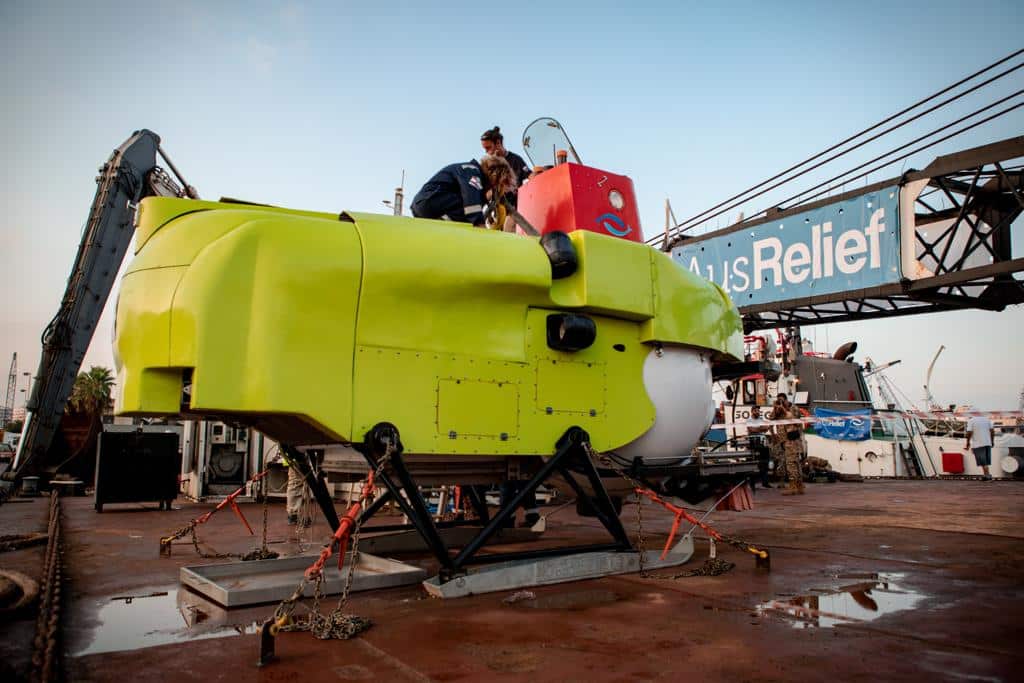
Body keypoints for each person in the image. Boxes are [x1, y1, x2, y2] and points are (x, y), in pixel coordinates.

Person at [410, 155, 517, 226]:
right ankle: (446, 225)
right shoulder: (472, 171)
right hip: (428, 202)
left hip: (426, 204)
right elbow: (471, 199)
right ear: (497, 176)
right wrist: (481, 227)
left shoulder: (471, 172)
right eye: (501, 185)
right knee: (471, 203)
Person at [747, 404, 773, 488]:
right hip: (753, 443)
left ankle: (765, 482)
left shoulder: (761, 419)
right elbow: (751, 430)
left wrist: (758, 429)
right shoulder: (749, 420)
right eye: (755, 410)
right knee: (753, 463)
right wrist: (760, 428)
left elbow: (766, 428)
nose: (757, 412)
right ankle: (752, 484)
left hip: (762, 442)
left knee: (765, 462)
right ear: (752, 411)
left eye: (758, 410)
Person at [965, 413, 996, 480]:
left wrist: (967, 443)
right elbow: (993, 431)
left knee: (983, 461)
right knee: (986, 462)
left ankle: (987, 476)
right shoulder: (987, 420)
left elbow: (969, 432)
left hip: (978, 444)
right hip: (987, 443)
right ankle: (986, 475)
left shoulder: (971, 420)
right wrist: (992, 441)